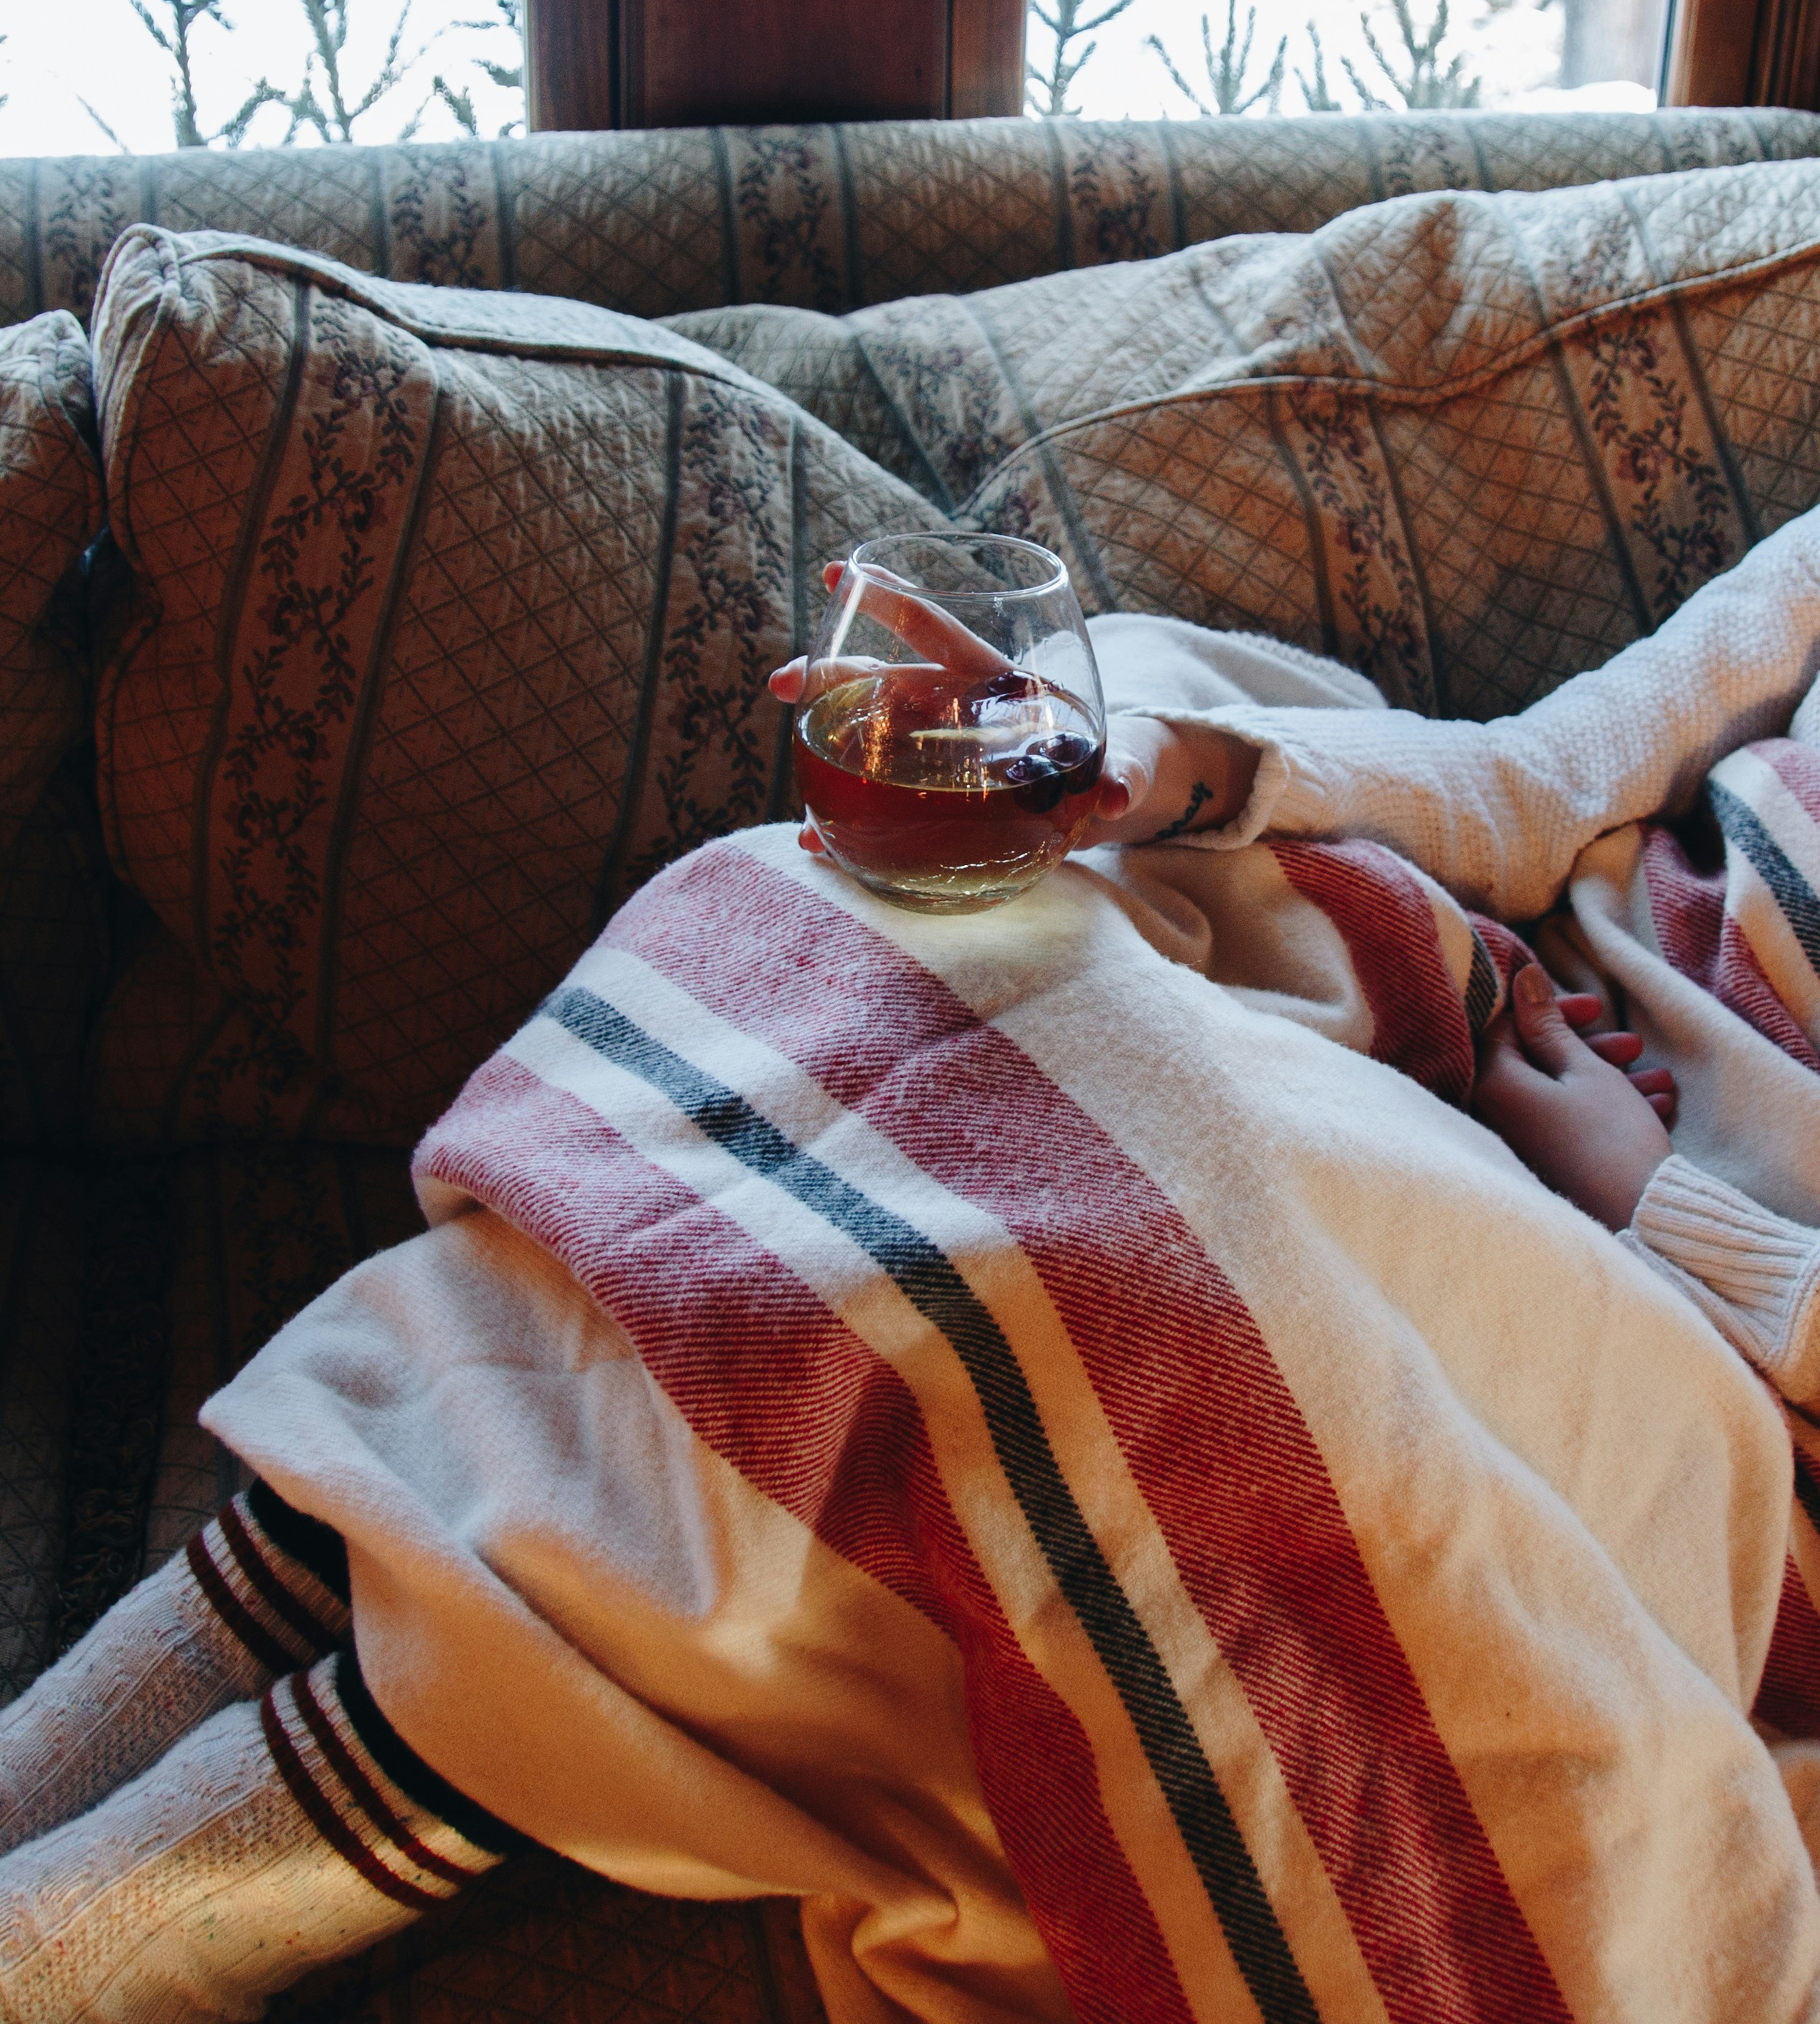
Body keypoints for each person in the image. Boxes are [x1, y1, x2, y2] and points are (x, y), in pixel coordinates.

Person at [10, 508, 1820, 2023]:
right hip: (1476, 1021)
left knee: (1128, 1303)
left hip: (1692, 1324)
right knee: (941, 947)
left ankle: (114, 1904)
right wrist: (1158, 767)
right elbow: (1539, 776)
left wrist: (1660, 1198)